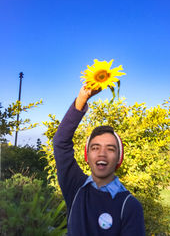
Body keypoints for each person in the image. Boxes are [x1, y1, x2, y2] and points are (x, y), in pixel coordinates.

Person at [53, 86, 145, 235]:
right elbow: (60, 143)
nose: (102, 153)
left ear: (118, 159)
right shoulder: (75, 187)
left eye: (110, 149)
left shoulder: (129, 206)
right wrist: (82, 99)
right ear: (87, 156)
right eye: (95, 148)